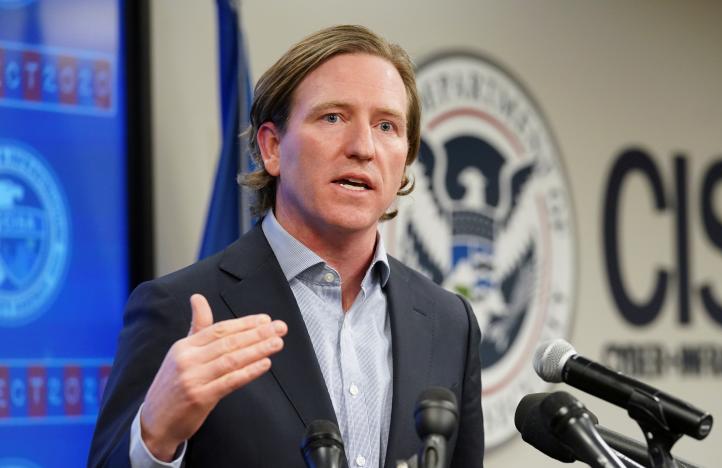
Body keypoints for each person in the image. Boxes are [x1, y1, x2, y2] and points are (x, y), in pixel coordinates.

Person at [88, 25, 484, 468]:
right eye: (333, 117)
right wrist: (155, 436)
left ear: (405, 157)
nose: (363, 147)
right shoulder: (178, 309)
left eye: (386, 125)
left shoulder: (450, 323)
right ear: (272, 147)